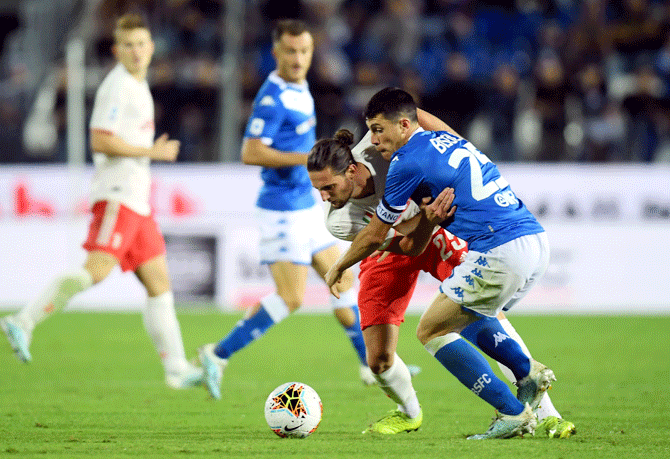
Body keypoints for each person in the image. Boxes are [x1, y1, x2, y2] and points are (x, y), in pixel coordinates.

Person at [324, 87, 571, 439]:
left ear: (350, 170)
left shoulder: (398, 160)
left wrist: (337, 267)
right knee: (384, 355)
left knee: (439, 327)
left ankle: (530, 412)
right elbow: (404, 244)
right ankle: (411, 411)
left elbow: (377, 233)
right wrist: (426, 219)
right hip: (511, 239)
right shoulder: (340, 219)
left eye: (328, 187)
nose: (325, 197)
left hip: (481, 244)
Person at [0, 13, 203, 390]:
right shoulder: (119, 87)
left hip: (137, 202)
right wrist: (150, 152)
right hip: (117, 195)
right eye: (128, 45)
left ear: (151, 47)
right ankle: (23, 320)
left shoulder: (139, 86)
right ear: (117, 50)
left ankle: (176, 368)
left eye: (142, 43)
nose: (137, 51)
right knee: (96, 269)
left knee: (160, 283)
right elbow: (100, 140)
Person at [197, 19, 371, 400]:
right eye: (290, 51)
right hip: (281, 210)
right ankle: (217, 353)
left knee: (342, 279)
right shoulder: (272, 98)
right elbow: (251, 152)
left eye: (304, 51)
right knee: (291, 298)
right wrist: (308, 159)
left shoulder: (300, 87)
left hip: (305, 205)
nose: (298, 58)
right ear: (275, 53)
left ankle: (372, 364)